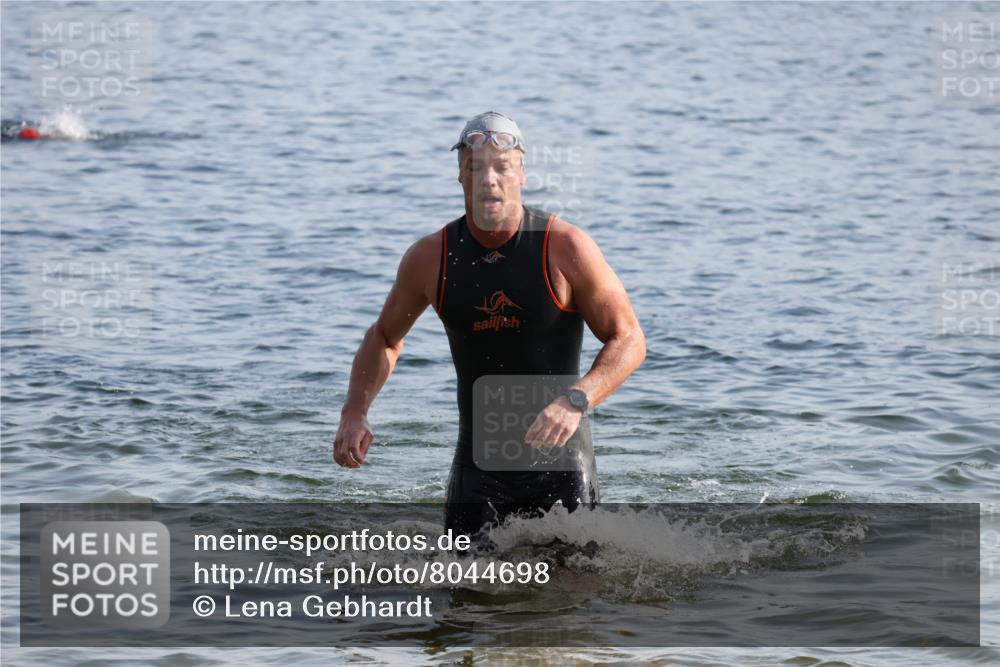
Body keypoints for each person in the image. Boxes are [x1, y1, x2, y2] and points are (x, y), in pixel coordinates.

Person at [333, 111, 645, 541]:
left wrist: (576, 400)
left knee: (569, 602)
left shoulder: (564, 247)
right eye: (475, 167)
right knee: (466, 601)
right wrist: (355, 411)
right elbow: (384, 338)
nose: (489, 179)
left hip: (561, 465)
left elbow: (628, 338)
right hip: (478, 468)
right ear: (460, 175)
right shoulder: (431, 258)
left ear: (521, 173)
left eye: (501, 167)